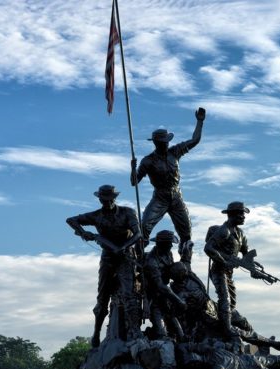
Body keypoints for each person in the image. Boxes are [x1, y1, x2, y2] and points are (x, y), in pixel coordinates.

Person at [66, 185, 142, 347]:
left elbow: (138, 234)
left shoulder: (127, 212)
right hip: (108, 257)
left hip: (125, 256)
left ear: (115, 198)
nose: (107, 202)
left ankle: (135, 330)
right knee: (102, 297)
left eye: (110, 199)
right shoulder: (96, 216)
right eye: (104, 200)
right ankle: (96, 334)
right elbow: (71, 220)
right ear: (100, 199)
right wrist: (83, 233)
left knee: (129, 294)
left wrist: (123, 247)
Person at [131, 107, 206, 248]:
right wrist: (133, 169)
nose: (167, 143)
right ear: (156, 143)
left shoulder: (175, 152)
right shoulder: (148, 161)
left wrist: (200, 122)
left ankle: (185, 258)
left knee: (187, 233)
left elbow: (195, 140)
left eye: (167, 141)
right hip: (160, 197)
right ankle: (139, 257)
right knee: (144, 228)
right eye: (164, 141)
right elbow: (134, 182)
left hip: (176, 196)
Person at [204, 201, 264, 339]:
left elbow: (246, 256)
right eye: (241, 214)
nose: (244, 217)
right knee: (225, 298)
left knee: (231, 304)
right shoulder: (224, 231)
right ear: (233, 214)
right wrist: (224, 261)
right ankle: (227, 330)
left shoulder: (241, 233)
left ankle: (224, 325)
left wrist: (253, 269)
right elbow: (208, 248)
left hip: (229, 273)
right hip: (219, 270)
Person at [143, 230, 187, 340]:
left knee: (179, 332)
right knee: (161, 333)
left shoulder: (168, 254)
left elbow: (171, 271)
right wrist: (178, 301)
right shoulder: (151, 261)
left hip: (165, 296)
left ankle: (181, 340)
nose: (171, 246)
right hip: (153, 297)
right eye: (169, 244)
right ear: (162, 244)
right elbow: (160, 286)